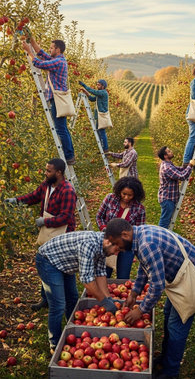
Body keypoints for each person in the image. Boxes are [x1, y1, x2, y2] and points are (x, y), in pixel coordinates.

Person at [105, 219, 195, 379]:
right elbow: (145, 266)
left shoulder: (147, 244)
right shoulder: (139, 235)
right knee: (169, 316)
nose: (117, 249)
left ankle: (170, 372)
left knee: (177, 325)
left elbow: (157, 285)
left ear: (125, 234)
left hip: (192, 275)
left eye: (117, 243)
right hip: (179, 276)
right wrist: (135, 292)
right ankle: (165, 359)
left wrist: (140, 311)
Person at [5, 158, 77, 311]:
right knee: (47, 264)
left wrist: (45, 222)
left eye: (48, 171)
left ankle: (69, 302)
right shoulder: (47, 185)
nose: (45, 173)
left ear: (58, 172)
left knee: (63, 268)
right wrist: (15, 201)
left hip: (62, 235)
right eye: (46, 170)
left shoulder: (67, 191)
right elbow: (33, 197)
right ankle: (46, 298)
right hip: (48, 233)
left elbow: (67, 217)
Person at [37, 230, 118, 352]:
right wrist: (104, 301)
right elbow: (87, 282)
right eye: (116, 250)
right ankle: (55, 343)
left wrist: (108, 298)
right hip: (48, 260)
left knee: (72, 299)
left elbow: (100, 274)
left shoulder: (102, 247)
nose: (116, 254)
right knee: (58, 305)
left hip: (65, 262)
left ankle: (73, 331)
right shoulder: (89, 245)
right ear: (108, 242)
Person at [23, 37, 75, 165]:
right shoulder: (58, 60)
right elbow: (42, 54)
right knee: (63, 128)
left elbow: (39, 64)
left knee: (60, 129)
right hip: (57, 98)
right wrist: (33, 41)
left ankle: (68, 156)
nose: (49, 49)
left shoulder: (58, 62)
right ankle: (70, 155)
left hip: (57, 99)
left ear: (57, 49)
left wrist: (29, 51)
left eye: (51, 48)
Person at [96, 177, 145, 278]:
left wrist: (133, 247)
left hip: (126, 246)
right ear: (119, 191)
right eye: (124, 194)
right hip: (108, 241)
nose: (126, 197)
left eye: (130, 195)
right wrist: (105, 229)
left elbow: (138, 230)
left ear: (135, 194)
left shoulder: (139, 209)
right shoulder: (110, 199)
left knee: (123, 276)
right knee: (104, 273)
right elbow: (99, 216)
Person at [158, 146, 195, 229]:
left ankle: (163, 237)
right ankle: (160, 238)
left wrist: (188, 166)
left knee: (166, 220)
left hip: (168, 198)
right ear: (165, 156)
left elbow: (179, 169)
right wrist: (189, 166)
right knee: (164, 222)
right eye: (169, 151)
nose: (171, 151)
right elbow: (182, 176)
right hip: (167, 199)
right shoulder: (167, 167)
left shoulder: (169, 164)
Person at [79, 78, 110, 152]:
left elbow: (93, 91)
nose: (97, 86)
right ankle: (102, 147)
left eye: (98, 85)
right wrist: (86, 92)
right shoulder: (100, 94)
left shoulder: (103, 92)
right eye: (97, 84)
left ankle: (105, 148)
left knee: (101, 132)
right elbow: (92, 99)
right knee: (99, 131)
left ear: (103, 86)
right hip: (98, 116)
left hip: (101, 115)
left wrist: (84, 85)